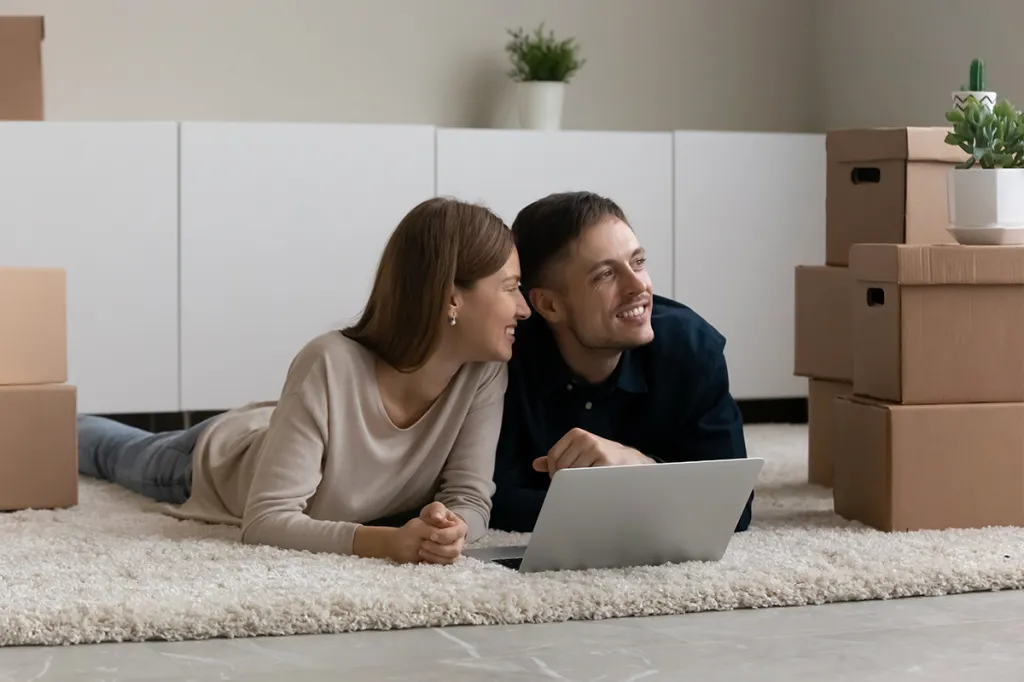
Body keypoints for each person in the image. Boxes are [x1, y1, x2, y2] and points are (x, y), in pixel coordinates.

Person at [77, 197, 531, 564]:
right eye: (510, 288)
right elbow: (266, 521)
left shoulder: (484, 371)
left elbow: (470, 496)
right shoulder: (330, 362)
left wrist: (450, 528)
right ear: (453, 297)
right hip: (212, 462)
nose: (524, 308)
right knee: (105, 451)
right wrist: (386, 544)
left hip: (279, 427)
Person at [488, 191, 753, 533]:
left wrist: (639, 467)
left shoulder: (691, 348)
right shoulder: (506, 356)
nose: (638, 286)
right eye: (605, 275)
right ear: (549, 306)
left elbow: (733, 506)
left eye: (638, 262)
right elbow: (495, 501)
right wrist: (654, 496)